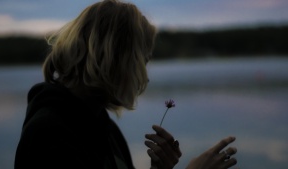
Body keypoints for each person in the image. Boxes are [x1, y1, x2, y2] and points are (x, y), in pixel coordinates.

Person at [14, 0, 238, 169]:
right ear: (115, 58)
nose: (145, 77)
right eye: (143, 61)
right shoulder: (48, 134)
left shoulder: (103, 126)